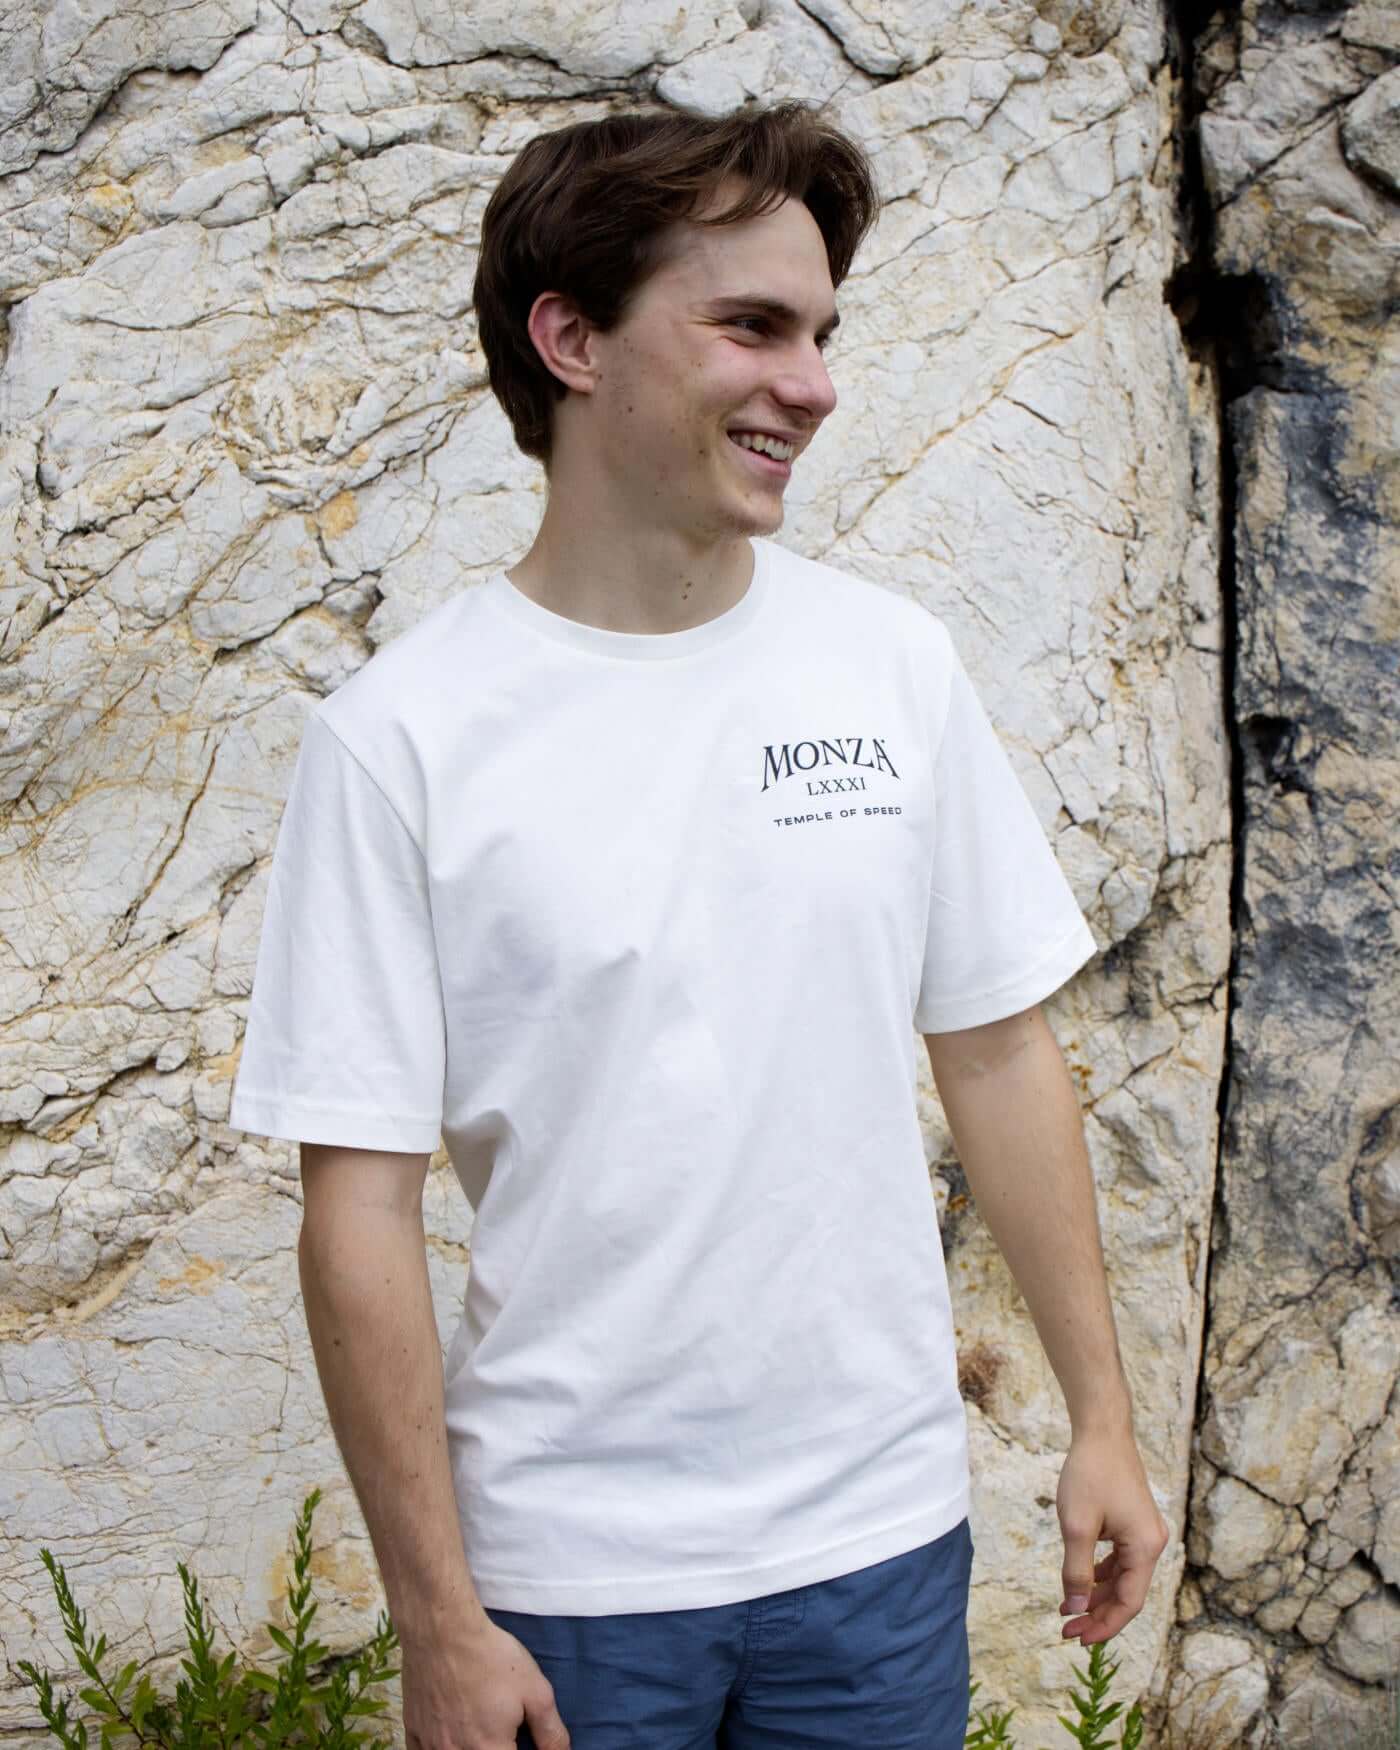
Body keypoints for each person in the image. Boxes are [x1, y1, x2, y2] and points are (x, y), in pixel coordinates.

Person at [229, 99, 1169, 1750]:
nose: (811, 383)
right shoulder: (402, 738)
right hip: (569, 1585)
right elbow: (356, 1212)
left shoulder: (891, 668)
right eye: (751, 325)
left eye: (819, 332)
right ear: (571, 337)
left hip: (877, 1547)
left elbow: (1003, 1054)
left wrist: (1102, 1414)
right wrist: (439, 1619)